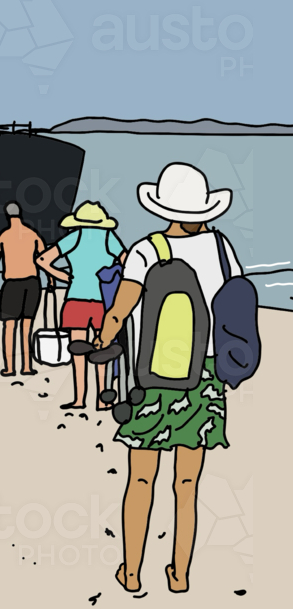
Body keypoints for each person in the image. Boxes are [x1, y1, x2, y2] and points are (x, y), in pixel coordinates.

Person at [92, 163, 241, 595]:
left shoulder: (145, 250)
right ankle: (179, 575)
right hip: (205, 376)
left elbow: (119, 311)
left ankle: (132, 570)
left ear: (163, 208)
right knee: (187, 484)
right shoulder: (220, 248)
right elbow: (233, 303)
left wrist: (103, 339)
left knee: (140, 479)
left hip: (153, 376)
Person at [38, 201, 126, 410]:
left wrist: (65, 277)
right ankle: (102, 401)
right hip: (101, 302)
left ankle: (79, 399)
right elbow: (127, 262)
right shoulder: (108, 238)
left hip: (75, 299)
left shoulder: (74, 237)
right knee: (102, 349)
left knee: (78, 351)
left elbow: (42, 260)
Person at [0, 201, 45, 377]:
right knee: (27, 327)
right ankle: (27, 366)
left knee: (9, 327)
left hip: (12, 284)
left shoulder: (4, 236)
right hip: (33, 283)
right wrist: (51, 280)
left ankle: (9, 367)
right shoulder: (32, 234)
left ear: (7, 215)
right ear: (20, 213)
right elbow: (45, 260)